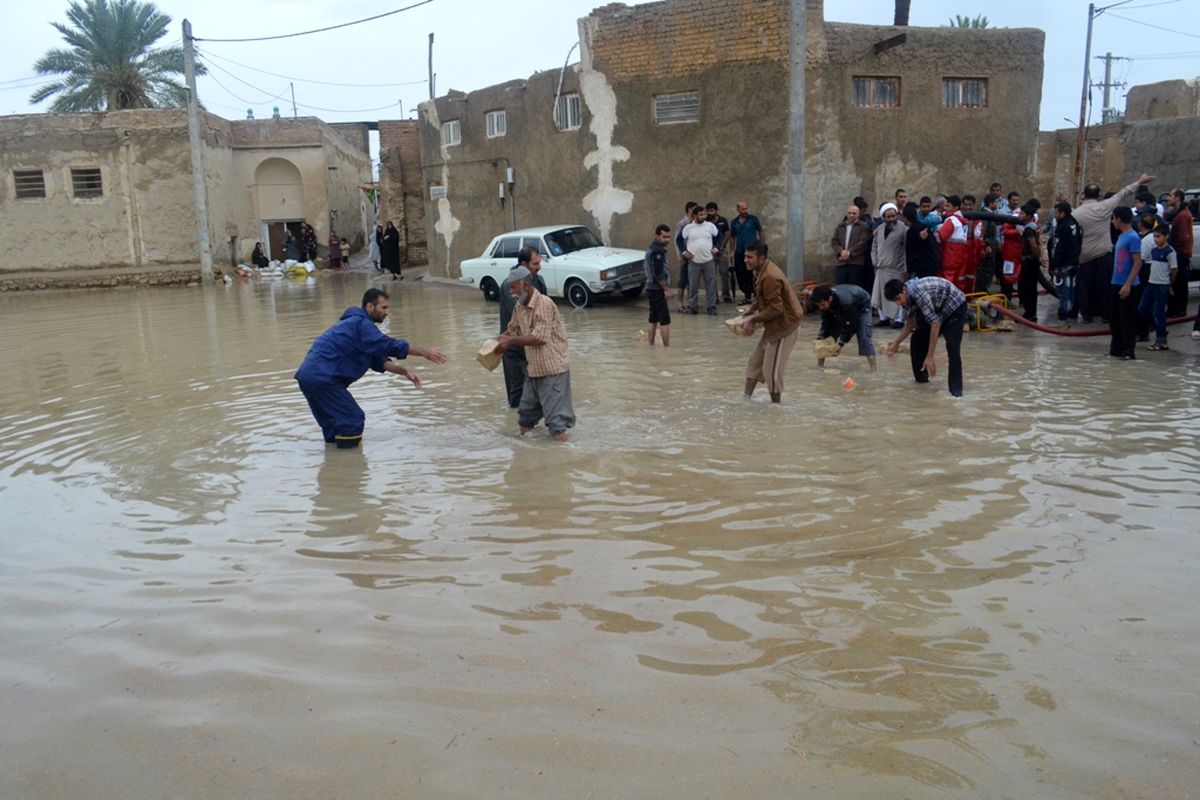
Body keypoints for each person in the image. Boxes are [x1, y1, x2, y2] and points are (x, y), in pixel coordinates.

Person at [294, 288, 446, 448]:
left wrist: (405, 372)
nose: (387, 312)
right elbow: (388, 345)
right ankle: (351, 468)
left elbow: (380, 360)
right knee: (352, 419)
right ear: (369, 307)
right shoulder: (360, 324)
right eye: (384, 308)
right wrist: (424, 352)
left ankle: (334, 467)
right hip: (323, 378)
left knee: (334, 426)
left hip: (308, 378)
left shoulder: (356, 327)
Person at [495, 266, 575, 441]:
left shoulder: (544, 304)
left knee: (557, 425)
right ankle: (526, 453)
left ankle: (565, 461)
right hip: (534, 371)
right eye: (510, 287)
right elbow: (513, 329)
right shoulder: (520, 306)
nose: (510, 291)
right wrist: (501, 339)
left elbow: (540, 337)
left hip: (553, 371)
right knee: (525, 417)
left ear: (526, 285)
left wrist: (512, 341)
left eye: (513, 287)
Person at [1074, 174, 1155, 323]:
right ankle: (1106, 314)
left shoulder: (1076, 213)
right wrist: (1140, 181)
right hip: (1103, 253)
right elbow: (1124, 193)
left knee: (1084, 287)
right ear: (1099, 195)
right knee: (1105, 286)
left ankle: (1086, 315)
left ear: (1084, 196)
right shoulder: (1105, 206)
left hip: (1084, 256)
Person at [739, 241, 803, 403]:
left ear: (761, 258)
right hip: (773, 325)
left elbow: (776, 309)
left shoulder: (770, 276)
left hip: (785, 326)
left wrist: (752, 319)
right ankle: (745, 400)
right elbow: (765, 297)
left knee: (772, 373)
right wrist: (753, 308)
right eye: (745, 256)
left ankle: (776, 409)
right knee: (754, 363)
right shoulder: (760, 271)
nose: (745, 260)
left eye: (749, 257)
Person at [885, 276, 968, 397]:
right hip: (938, 308)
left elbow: (935, 324)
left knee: (952, 346)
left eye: (898, 299)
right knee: (917, 338)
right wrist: (896, 343)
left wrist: (930, 357)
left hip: (955, 306)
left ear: (904, 290)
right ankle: (921, 380)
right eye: (895, 301)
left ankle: (956, 392)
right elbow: (910, 323)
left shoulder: (918, 293)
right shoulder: (906, 297)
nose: (899, 303)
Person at [499, 246, 550, 408]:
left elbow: (545, 311)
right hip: (514, 348)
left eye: (539, 263)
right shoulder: (510, 286)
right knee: (517, 392)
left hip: (533, 345)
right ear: (523, 264)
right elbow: (520, 317)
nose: (539, 267)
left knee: (539, 390)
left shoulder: (539, 281)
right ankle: (517, 425)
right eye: (535, 264)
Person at [811, 284, 877, 372]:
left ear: (830, 299)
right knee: (825, 338)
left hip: (862, 306)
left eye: (822, 305)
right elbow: (826, 323)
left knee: (864, 336)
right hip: (842, 305)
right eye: (819, 305)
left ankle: (873, 370)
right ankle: (820, 367)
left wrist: (841, 343)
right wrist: (820, 339)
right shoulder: (824, 303)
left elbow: (850, 325)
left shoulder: (846, 302)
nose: (821, 307)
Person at [1109, 207, 1142, 361]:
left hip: (1128, 284)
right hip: (1116, 282)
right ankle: (1116, 349)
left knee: (1127, 320)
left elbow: (1137, 263)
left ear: (1119, 220)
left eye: (1113, 218)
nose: (1113, 222)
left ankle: (1128, 350)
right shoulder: (1121, 236)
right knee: (1115, 319)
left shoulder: (1133, 237)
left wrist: (1128, 284)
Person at [1139, 225, 1177, 351]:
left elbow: (1174, 269)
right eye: (1154, 236)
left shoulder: (1170, 252)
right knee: (1143, 308)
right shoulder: (1154, 250)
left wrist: (1170, 284)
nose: (1155, 239)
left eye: (1158, 236)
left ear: (1166, 236)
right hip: (1151, 283)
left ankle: (1161, 340)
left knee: (1159, 312)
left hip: (1162, 285)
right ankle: (1160, 329)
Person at [870, 202, 907, 327]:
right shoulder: (879, 230)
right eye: (888, 217)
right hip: (881, 268)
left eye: (893, 216)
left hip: (897, 267)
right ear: (883, 218)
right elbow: (874, 246)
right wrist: (874, 260)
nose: (891, 219)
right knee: (881, 293)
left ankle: (899, 319)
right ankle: (883, 318)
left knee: (897, 293)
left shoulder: (903, 228)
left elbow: (907, 247)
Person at [682, 204, 721, 314]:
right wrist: (684, 252)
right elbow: (679, 240)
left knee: (711, 285)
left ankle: (711, 307)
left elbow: (720, 236)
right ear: (694, 215)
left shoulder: (710, 226)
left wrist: (717, 248)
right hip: (694, 262)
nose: (704, 216)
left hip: (708, 260)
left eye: (704, 214)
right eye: (701, 214)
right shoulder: (688, 228)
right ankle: (692, 307)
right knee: (693, 286)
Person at [1049, 202, 1083, 322]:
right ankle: (1072, 311)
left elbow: (1059, 247)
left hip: (1064, 264)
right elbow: (1079, 242)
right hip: (1075, 261)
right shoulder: (1075, 223)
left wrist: (1053, 264)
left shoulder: (1062, 227)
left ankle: (1064, 312)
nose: (1055, 215)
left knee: (1063, 289)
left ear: (1063, 213)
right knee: (1072, 288)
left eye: (1057, 213)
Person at [730, 200, 763, 304]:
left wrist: (762, 246)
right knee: (741, 274)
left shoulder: (753, 220)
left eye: (746, 208)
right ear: (738, 209)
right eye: (743, 209)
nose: (745, 211)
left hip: (752, 251)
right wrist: (732, 250)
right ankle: (747, 296)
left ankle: (757, 296)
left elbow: (760, 231)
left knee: (752, 274)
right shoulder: (734, 222)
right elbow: (732, 237)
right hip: (739, 251)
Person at [644, 224, 672, 346]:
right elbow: (658, 273)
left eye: (669, 237)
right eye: (664, 237)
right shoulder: (657, 251)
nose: (667, 239)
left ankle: (651, 345)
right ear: (657, 236)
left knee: (653, 318)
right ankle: (667, 348)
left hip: (651, 288)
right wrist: (665, 289)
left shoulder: (653, 248)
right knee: (664, 320)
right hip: (657, 289)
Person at [1166, 189, 1192, 318]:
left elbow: (1182, 237)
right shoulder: (1178, 213)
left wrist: (1174, 251)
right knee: (1179, 282)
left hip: (1180, 254)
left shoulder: (1182, 216)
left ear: (1177, 198)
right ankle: (1177, 309)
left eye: (1171, 196)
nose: (1168, 198)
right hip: (1180, 252)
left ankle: (1178, 309)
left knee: (1178, 282)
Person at [831, 204, 871, 288]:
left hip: (855, 263)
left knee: (853, 288)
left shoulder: (863, 226)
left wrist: (849, 253)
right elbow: (834, 241)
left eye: (854, 213)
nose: (851, 215)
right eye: (849, 213)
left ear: (858, 214)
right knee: (840, 288)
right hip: (841, 263)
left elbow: (863, 243)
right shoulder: (840, 226)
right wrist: (841, 252)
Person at [1015, 203, 1042, 321]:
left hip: (1030, 261)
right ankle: (1029, 313)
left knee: (1029, 288)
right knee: (1029, 288)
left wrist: (1038, 258)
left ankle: (1030, 314)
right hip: (1030, 260)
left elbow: (1034, 246)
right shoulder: (1032, 226)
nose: (1019, 215)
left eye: (1022, 214)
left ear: (1029, 216)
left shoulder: (1029, 229)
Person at [705, 201, 733, 303]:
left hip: (722, 250)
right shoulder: (706, 221)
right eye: (708, 211)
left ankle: (726, 295)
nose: (709, 213)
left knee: (724, 272)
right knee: (712, 275)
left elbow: (727, 234)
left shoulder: (723, 220)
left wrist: (720, 247)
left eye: (711, 211)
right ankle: (714, 297)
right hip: (709, 251)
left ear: (716, 211)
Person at [903, 203, 940, 278]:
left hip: (923, 267)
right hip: (933, 263)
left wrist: (909, 270)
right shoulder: (923, 227)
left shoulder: (912, 231)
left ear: (906, 218)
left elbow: (910, 252)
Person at [674, 201, 699, 312]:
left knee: (692, 280)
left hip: (694, 256)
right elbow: (677, 240)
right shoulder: (683, 223)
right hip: (685, 256)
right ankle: (679, 303)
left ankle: (691, 302)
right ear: (689, 209)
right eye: (695, 208)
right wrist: (681, 255)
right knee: (683, 280)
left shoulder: (694, 222)